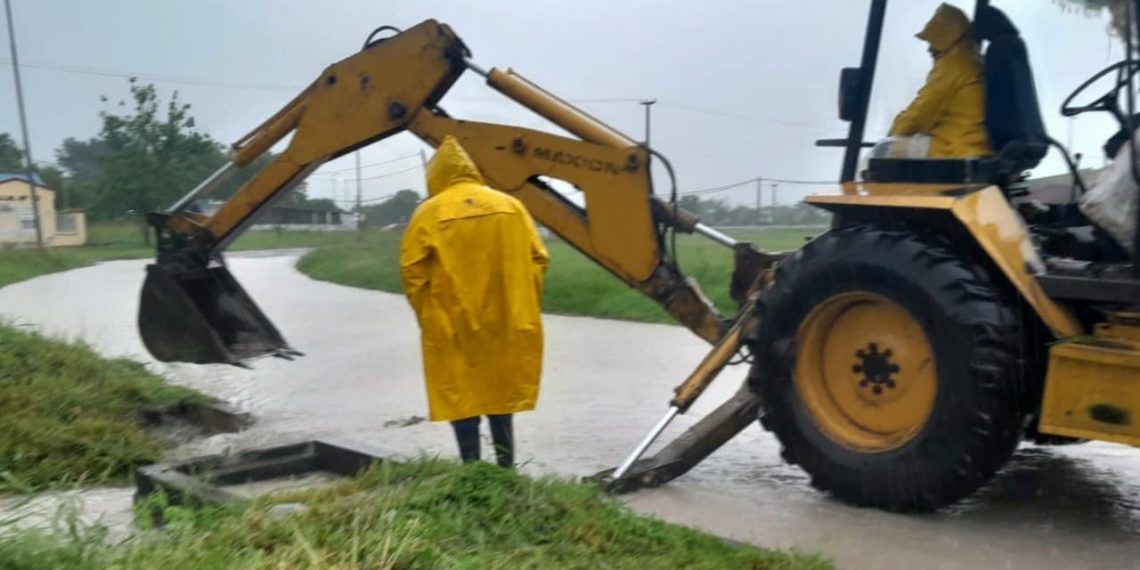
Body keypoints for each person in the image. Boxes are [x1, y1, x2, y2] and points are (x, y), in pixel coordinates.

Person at [399, 135, 549, 468]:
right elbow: (538, 259)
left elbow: (413, 275)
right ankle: (506, 471)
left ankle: (471, 470)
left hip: (452, 324)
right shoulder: (512, 207)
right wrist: (522, 304)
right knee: (501, 397)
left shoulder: (428, 213)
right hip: (508, 321)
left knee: (461, 398)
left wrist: (431, 315)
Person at [888, 3, 992, 158]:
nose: (930, 49)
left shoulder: (953, 65)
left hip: (953, 149)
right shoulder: (975, 62)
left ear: (946, 39)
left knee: (885, 150)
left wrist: (891, 136)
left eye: (933, 42)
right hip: (977, 147)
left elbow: (920, 112)